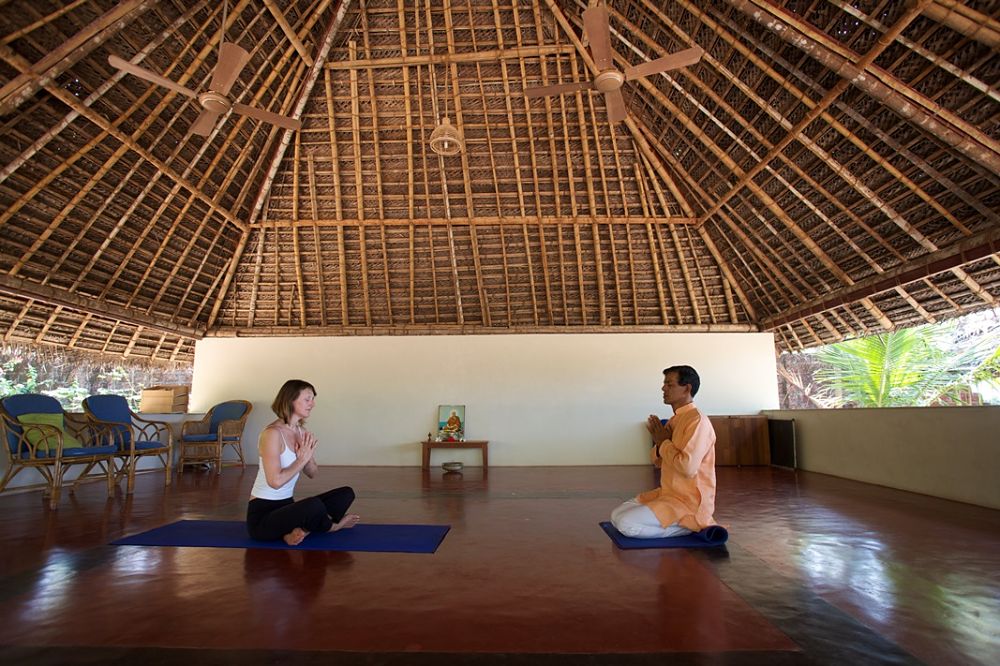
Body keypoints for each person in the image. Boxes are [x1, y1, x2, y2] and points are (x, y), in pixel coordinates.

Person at [246, 379, 360, 545]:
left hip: (286, 507)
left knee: (345, 494)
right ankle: (333, 527)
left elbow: (313, 473)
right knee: (313, 506)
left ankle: (298, 531)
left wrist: (308, 456)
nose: (312, 404)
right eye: (307, 399)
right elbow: (275, 482)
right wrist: (301, 459)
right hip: (263, 517)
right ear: (290, 400)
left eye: (313, 399)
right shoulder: (272, 434)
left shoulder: (301, 432)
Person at [610, 365, 717, 538]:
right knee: (615, 516)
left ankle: (691, 524)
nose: (663, 388)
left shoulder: (697, 422)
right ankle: (680, 525)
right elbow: (657, 460)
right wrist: (661, 444)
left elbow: (687, 468)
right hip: (668, 494)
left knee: (626, 524)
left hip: (687, 503)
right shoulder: (675, 420)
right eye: (664, 384)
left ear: (687, 388)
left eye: (669, 384)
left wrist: (663, 442)